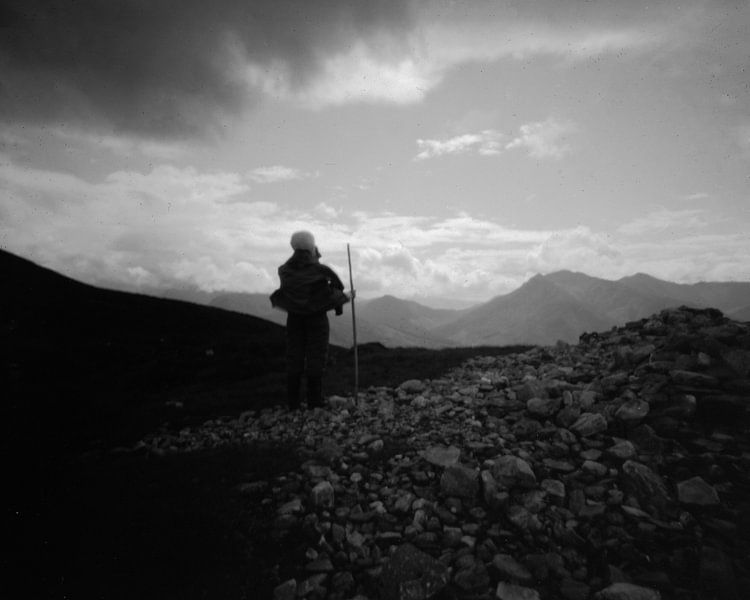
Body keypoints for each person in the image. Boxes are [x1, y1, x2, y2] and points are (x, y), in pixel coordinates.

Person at [270, 231, 351, 409]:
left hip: (294, 319)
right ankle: (314, 400)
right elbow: (327, 296)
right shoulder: (321, 271)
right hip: (317, 321)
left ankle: (293, 402)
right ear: (311, 246)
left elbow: (290, 292)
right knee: (316, 355)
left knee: (294, 355)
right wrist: (346, 297)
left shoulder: (284, 270)